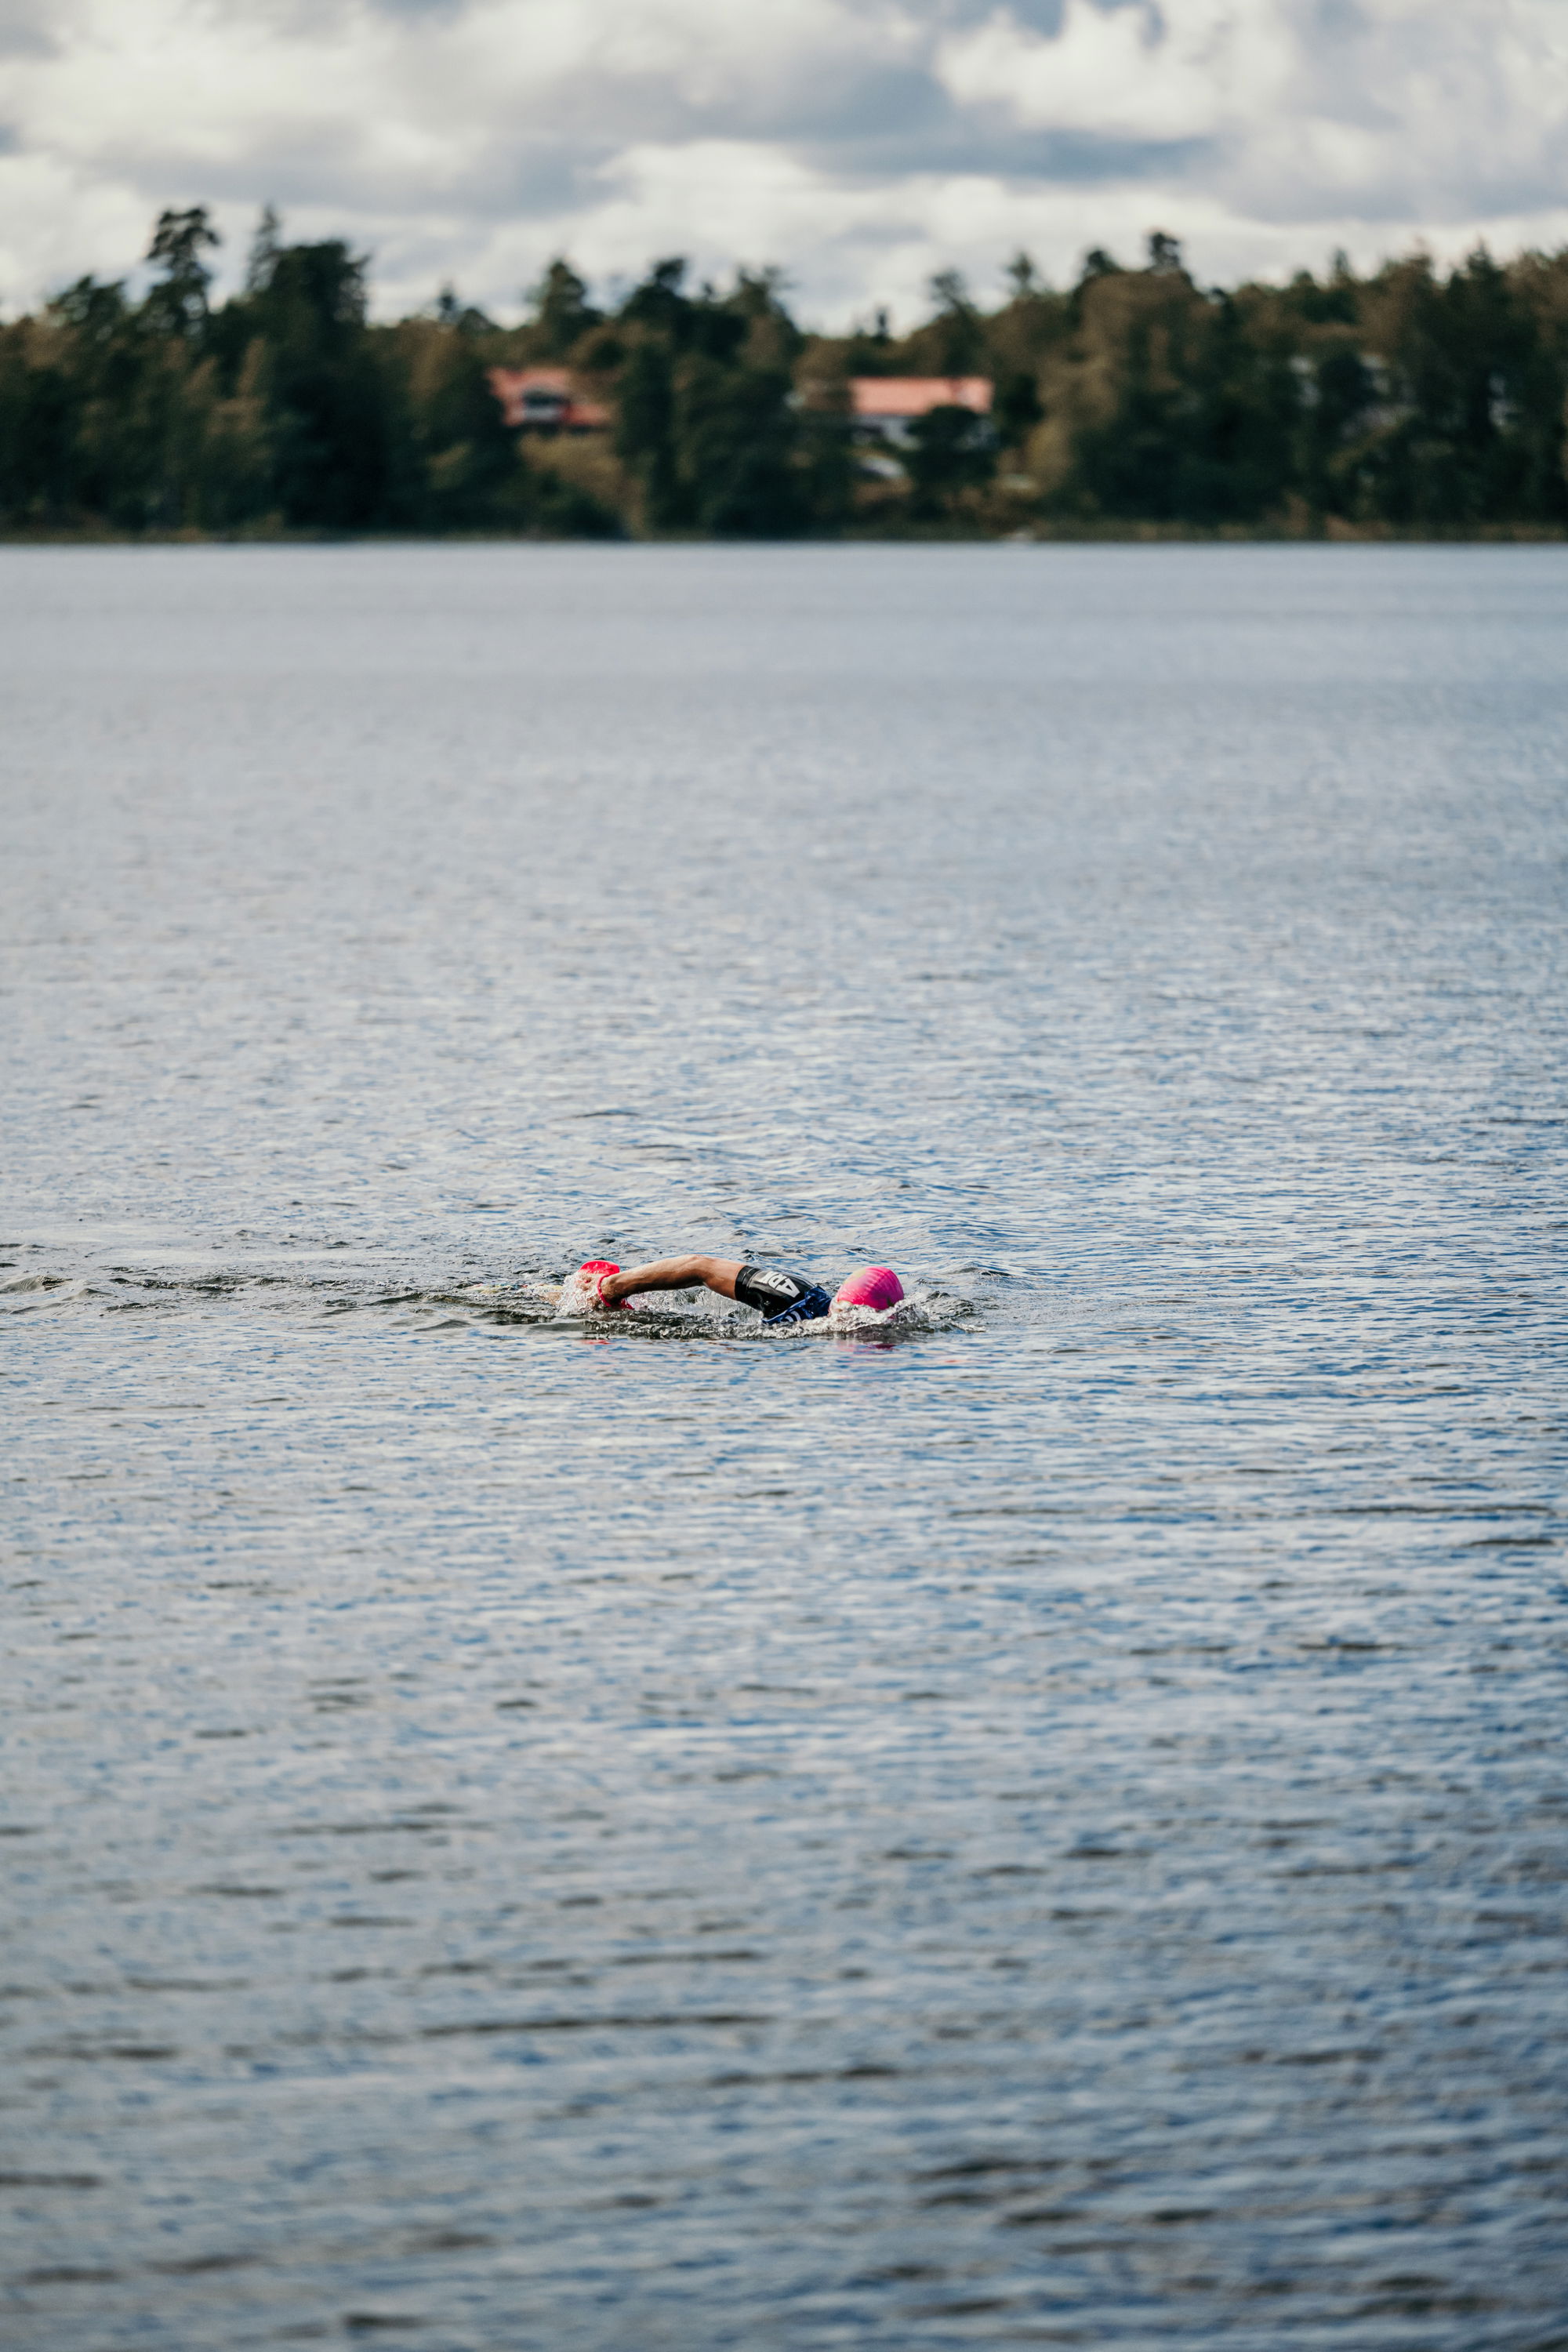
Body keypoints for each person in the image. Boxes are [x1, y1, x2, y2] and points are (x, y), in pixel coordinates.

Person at [575, 1256, 902, 1327]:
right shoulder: (796, 1298)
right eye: (847, 1317)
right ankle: (539, 1290)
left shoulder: (901, 1330)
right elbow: (699, 1266)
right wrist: (612, 1287)